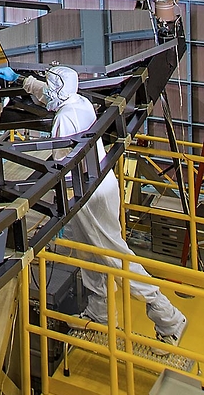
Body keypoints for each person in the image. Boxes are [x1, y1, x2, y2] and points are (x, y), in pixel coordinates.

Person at [24, 64, 187, 344]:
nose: (45, 92)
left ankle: (168, 317)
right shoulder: (81, 102)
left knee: (114, 255)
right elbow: (50, 93)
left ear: (57, 91)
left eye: (48, 86)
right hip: (102, 181)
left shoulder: (63, 118)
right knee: (90, 252)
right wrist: (24, 81)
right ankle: (99, 314)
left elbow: (60, 168)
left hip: (87, 193)